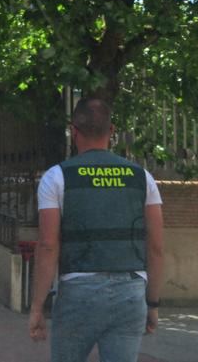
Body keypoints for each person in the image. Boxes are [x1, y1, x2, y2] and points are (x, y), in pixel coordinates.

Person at [28, 97, 164, 362]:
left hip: (78, 292)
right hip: (131, 292)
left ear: (73, 130)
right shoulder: (141, 177)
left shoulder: (56, 177)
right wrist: (153, 303)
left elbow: (47, 245)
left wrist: (37, 308)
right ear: (111, 131)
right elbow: (156, 248)